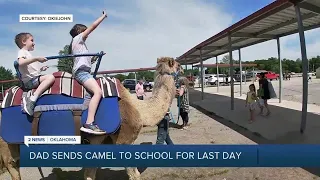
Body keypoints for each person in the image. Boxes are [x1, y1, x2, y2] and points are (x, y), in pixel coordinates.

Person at [68, 10, 108, 135]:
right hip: (82, 72)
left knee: (95, 92)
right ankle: (89, 123)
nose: (87, 34)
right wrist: (103, 17)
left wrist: (96, 57)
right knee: (98, 92)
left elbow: (87, 60)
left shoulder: (80, 45)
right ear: (80, 32)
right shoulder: (78, 39)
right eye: (85, 32)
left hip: (84, 71)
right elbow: (93, 27)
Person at [15, 32, 55, 116]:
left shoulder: (28, 54)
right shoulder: (22, 52)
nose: (34, 43)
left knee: (48, 76)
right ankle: (32, 99)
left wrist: (41, 68)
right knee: (50, 77)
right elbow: (21, 63)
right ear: (24, 41)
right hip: (30, 82)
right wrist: (36, 58)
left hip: (33, 79)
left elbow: (31, 70)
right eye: (32, 40)